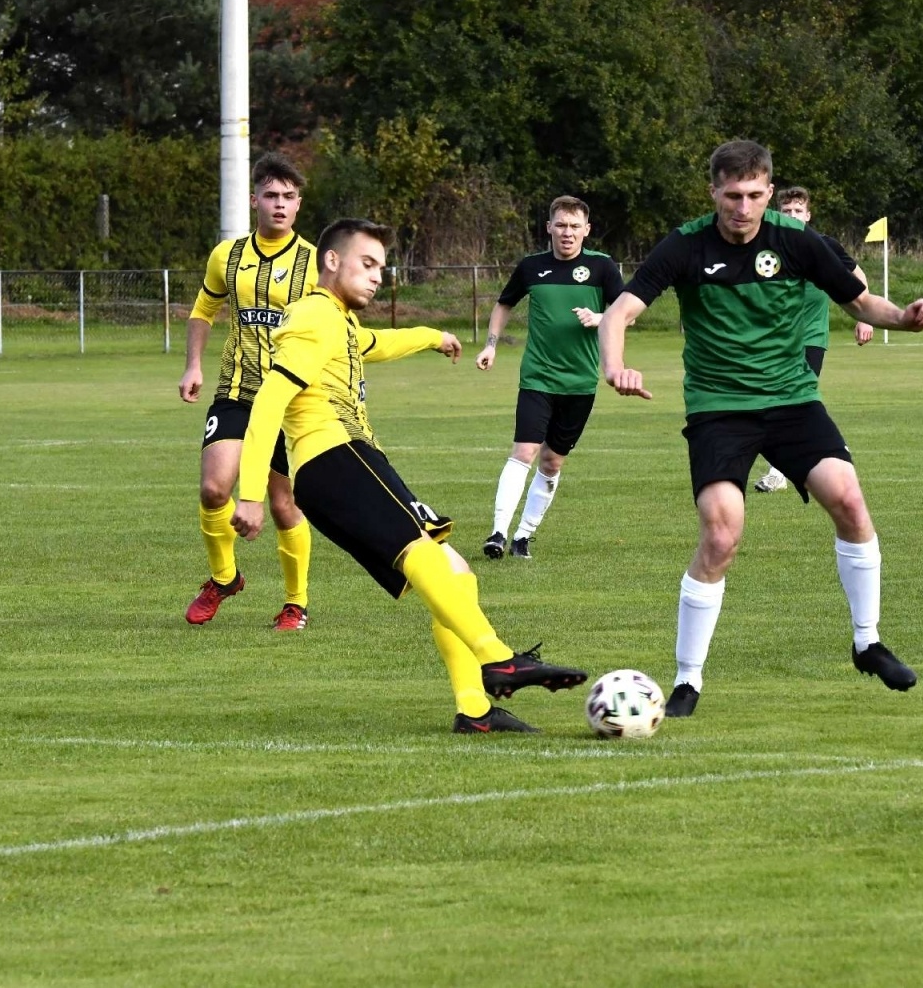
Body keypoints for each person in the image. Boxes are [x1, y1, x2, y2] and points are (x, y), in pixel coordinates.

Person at [596, 140, 923, 717]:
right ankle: (687, 680)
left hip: (791, 402)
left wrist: (904, 318)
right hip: (719, 409)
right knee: (722, 533)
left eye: (755, 195)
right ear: (714, 193)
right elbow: (620, 312)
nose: (743, 207)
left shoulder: (796, 239)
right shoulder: (685, 245)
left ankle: (868, 642)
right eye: (732, 195)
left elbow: (860, 304)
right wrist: (615, 366)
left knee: (850, 500)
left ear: (770, 193)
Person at [232, 218, 588, 733]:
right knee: (422, 554)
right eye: (367, 264)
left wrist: (433, 337)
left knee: (455, 574)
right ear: (332, 261)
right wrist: (249, 494)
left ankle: (476, 711)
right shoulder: (314, 314)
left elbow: (375, 342)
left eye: (382, 266)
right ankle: (498, 658)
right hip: (335, 455)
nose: (378, 276)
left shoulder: (339, 322)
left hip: (348, 461)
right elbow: (269, 401)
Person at [178, 153, 318, 630]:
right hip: (236, 390)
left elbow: (338, 330)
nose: (280, 205)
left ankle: (295, 603)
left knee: (282, 506)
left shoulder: (316, 263)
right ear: (254, 199)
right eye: (272, 196)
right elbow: (203, 309)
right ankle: (224, 578)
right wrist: (193, 364)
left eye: (289, 197)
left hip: (291, 399)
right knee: (214, 488)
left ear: (299, 204)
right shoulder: (228, 255)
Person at [476, 195, 624, 560]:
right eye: (561, 225)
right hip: (537, 379)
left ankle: (523, 536)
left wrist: (601, 318)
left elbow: (627, 312)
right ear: (549, 228)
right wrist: (491, 345)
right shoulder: (531, 267)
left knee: (551, 462)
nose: (567, 233)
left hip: (580, 383)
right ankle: (497, 533)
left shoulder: (602, 268)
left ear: (587, 230)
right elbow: (504, 303)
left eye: (575, 226)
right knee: (524, 450)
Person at [753, 186, 874, 493]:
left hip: (810, 338)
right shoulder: (766, 245)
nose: (792, 216)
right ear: (777, 214)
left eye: (797, 211)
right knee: (769, 399)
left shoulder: (823, 244)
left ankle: (804, 462)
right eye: (786, 211)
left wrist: (863, 316)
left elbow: (857, 278)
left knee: (797, 397)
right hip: (773, 339)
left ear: (808, 215)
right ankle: (830, 453)